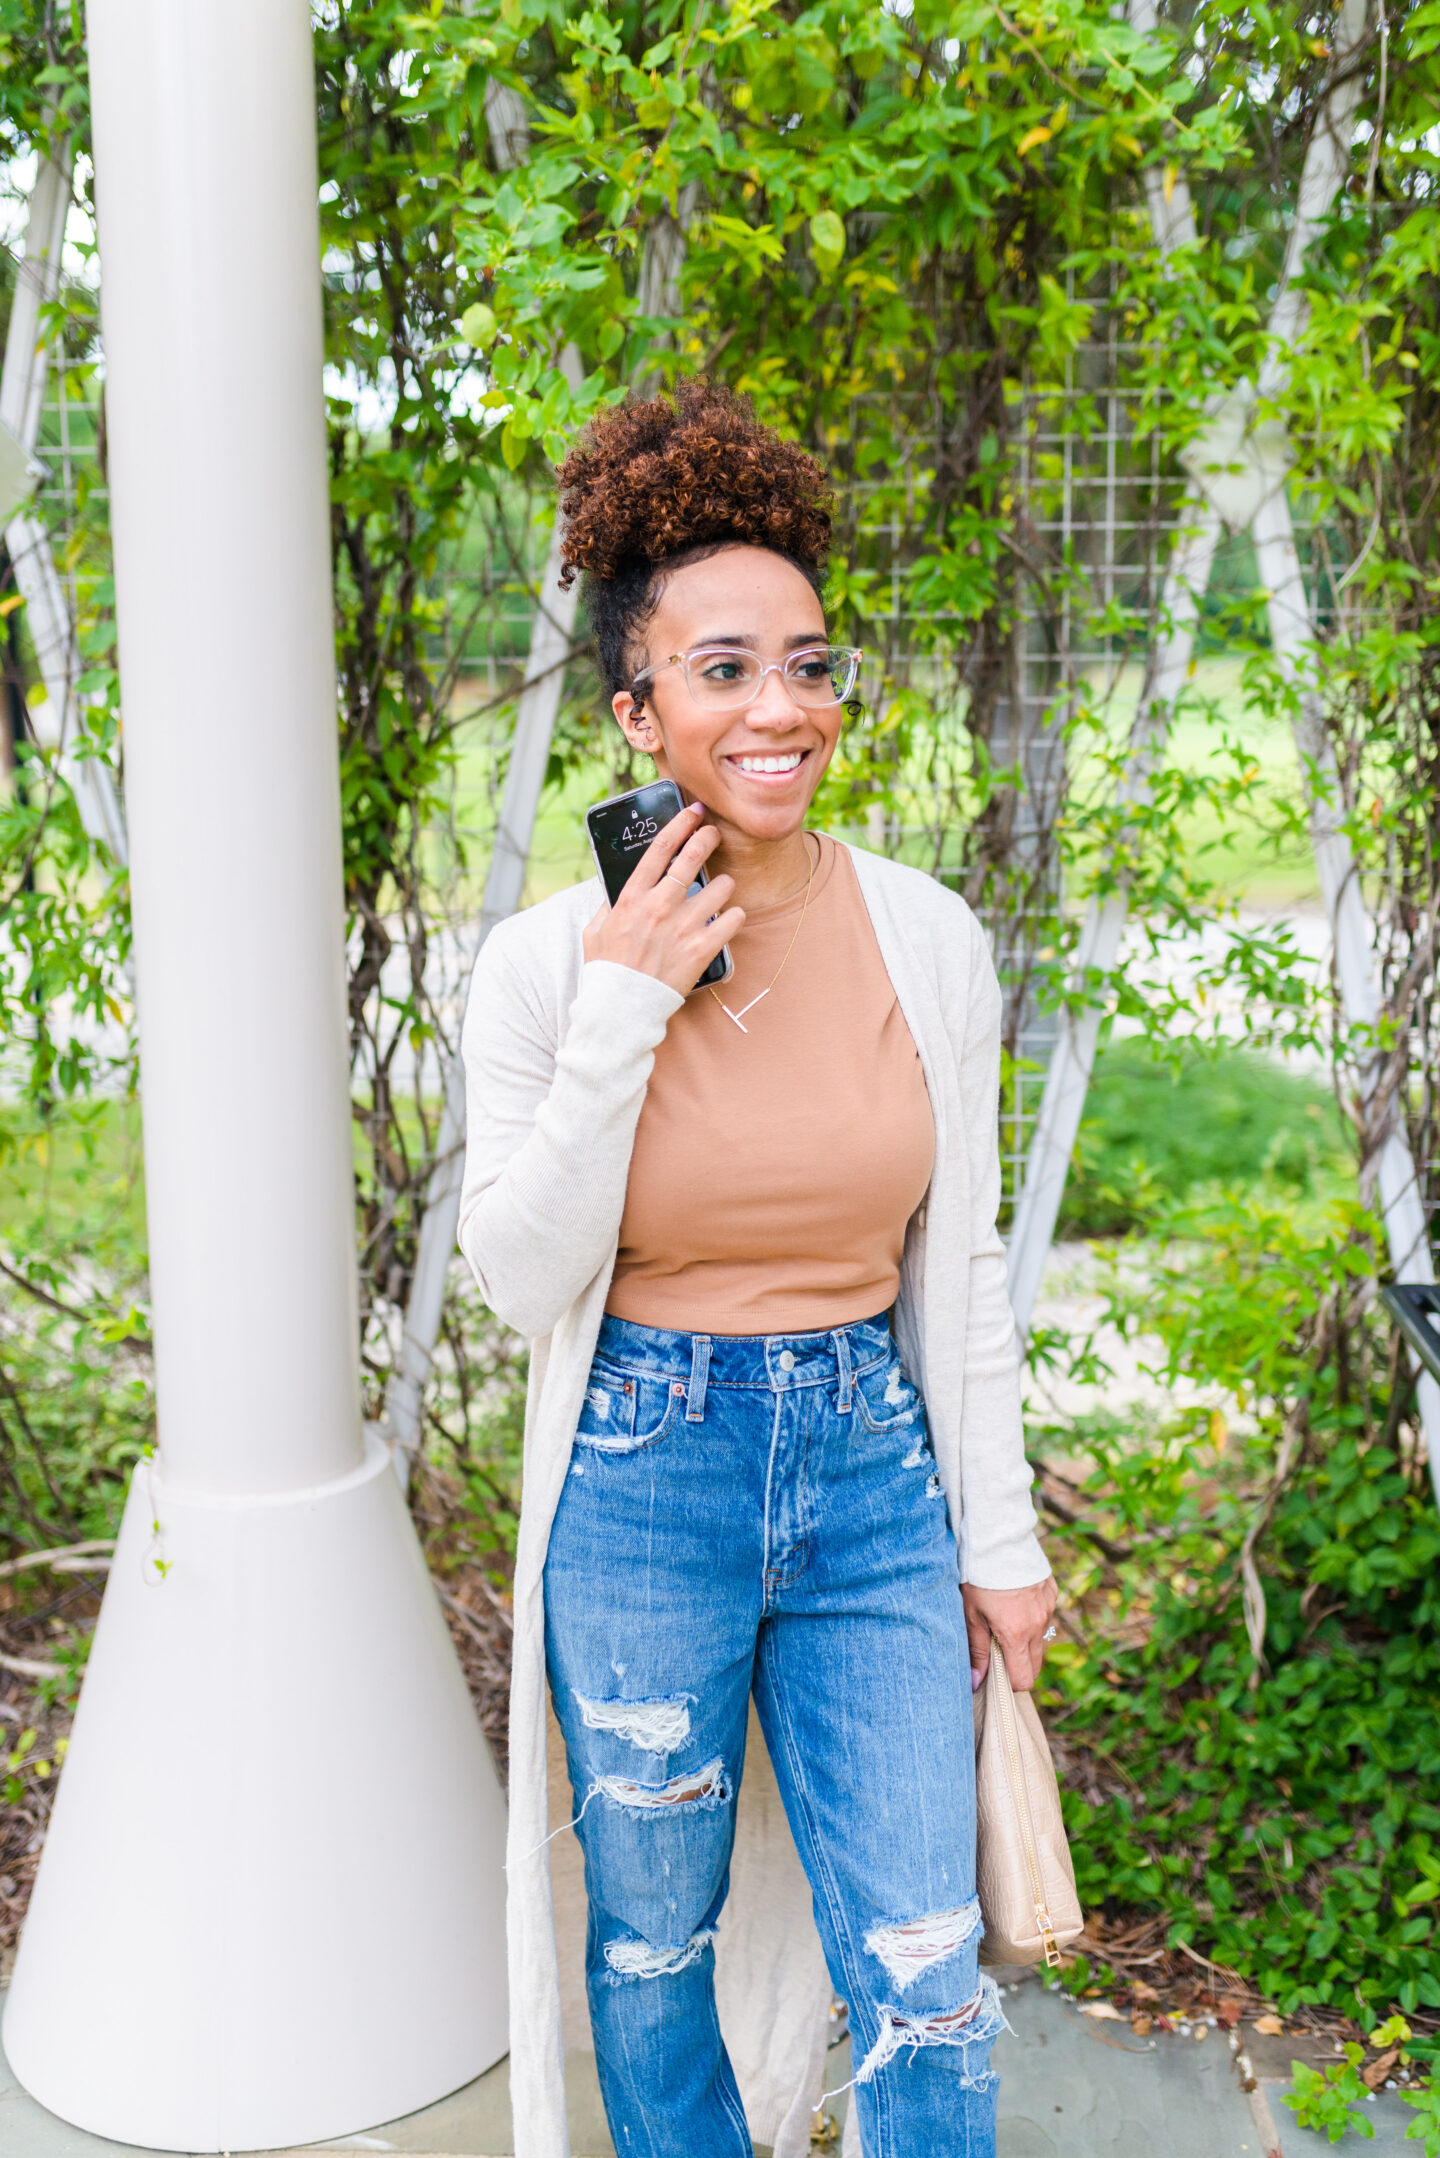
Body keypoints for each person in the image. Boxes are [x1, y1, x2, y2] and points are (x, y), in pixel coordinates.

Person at [458, 381, 1056, 2158]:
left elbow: (963, 1274)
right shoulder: (547, 966)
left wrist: (999, 1540)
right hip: (644, 1480)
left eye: (808, 662)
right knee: (650, 1945)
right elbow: (516, 1272)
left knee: (930, 1959)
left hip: (874, 1469)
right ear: (639, 709)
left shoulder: (927, 940)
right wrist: (632, 1001)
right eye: (723, 669)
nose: (780, 706)